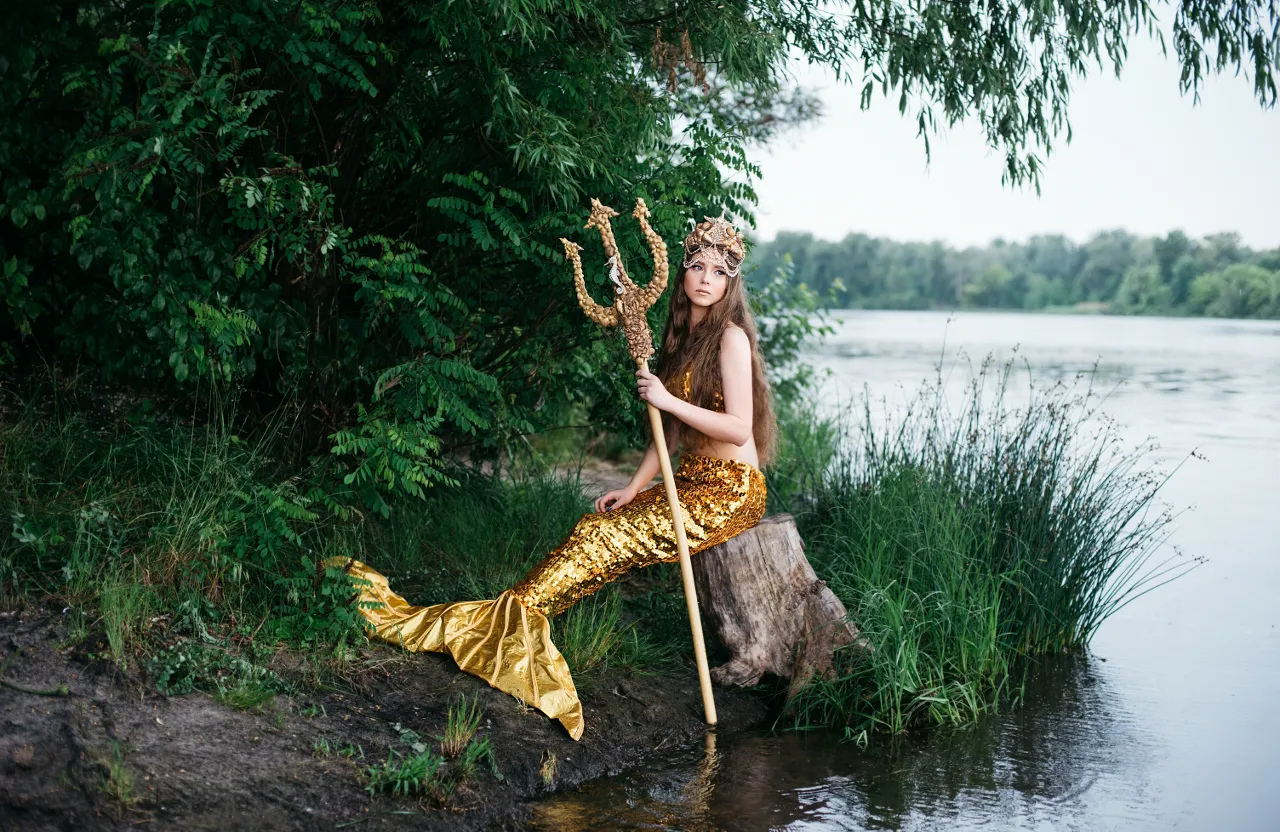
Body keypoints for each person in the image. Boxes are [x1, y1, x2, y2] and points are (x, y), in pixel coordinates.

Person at [333, 215, 777, 740]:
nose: (706, 278)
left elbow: (737, 425)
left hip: (731, 490)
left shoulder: (730, 339)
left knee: (607, 538)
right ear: (682, 274)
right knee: (595, 527)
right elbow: (671, 435)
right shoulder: (683, 338)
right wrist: (634, 487)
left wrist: (664, 397)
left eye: (719, 271)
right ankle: (517, 612)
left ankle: (518, 616)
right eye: (697, 266)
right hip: (693, 478)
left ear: (731, 283)